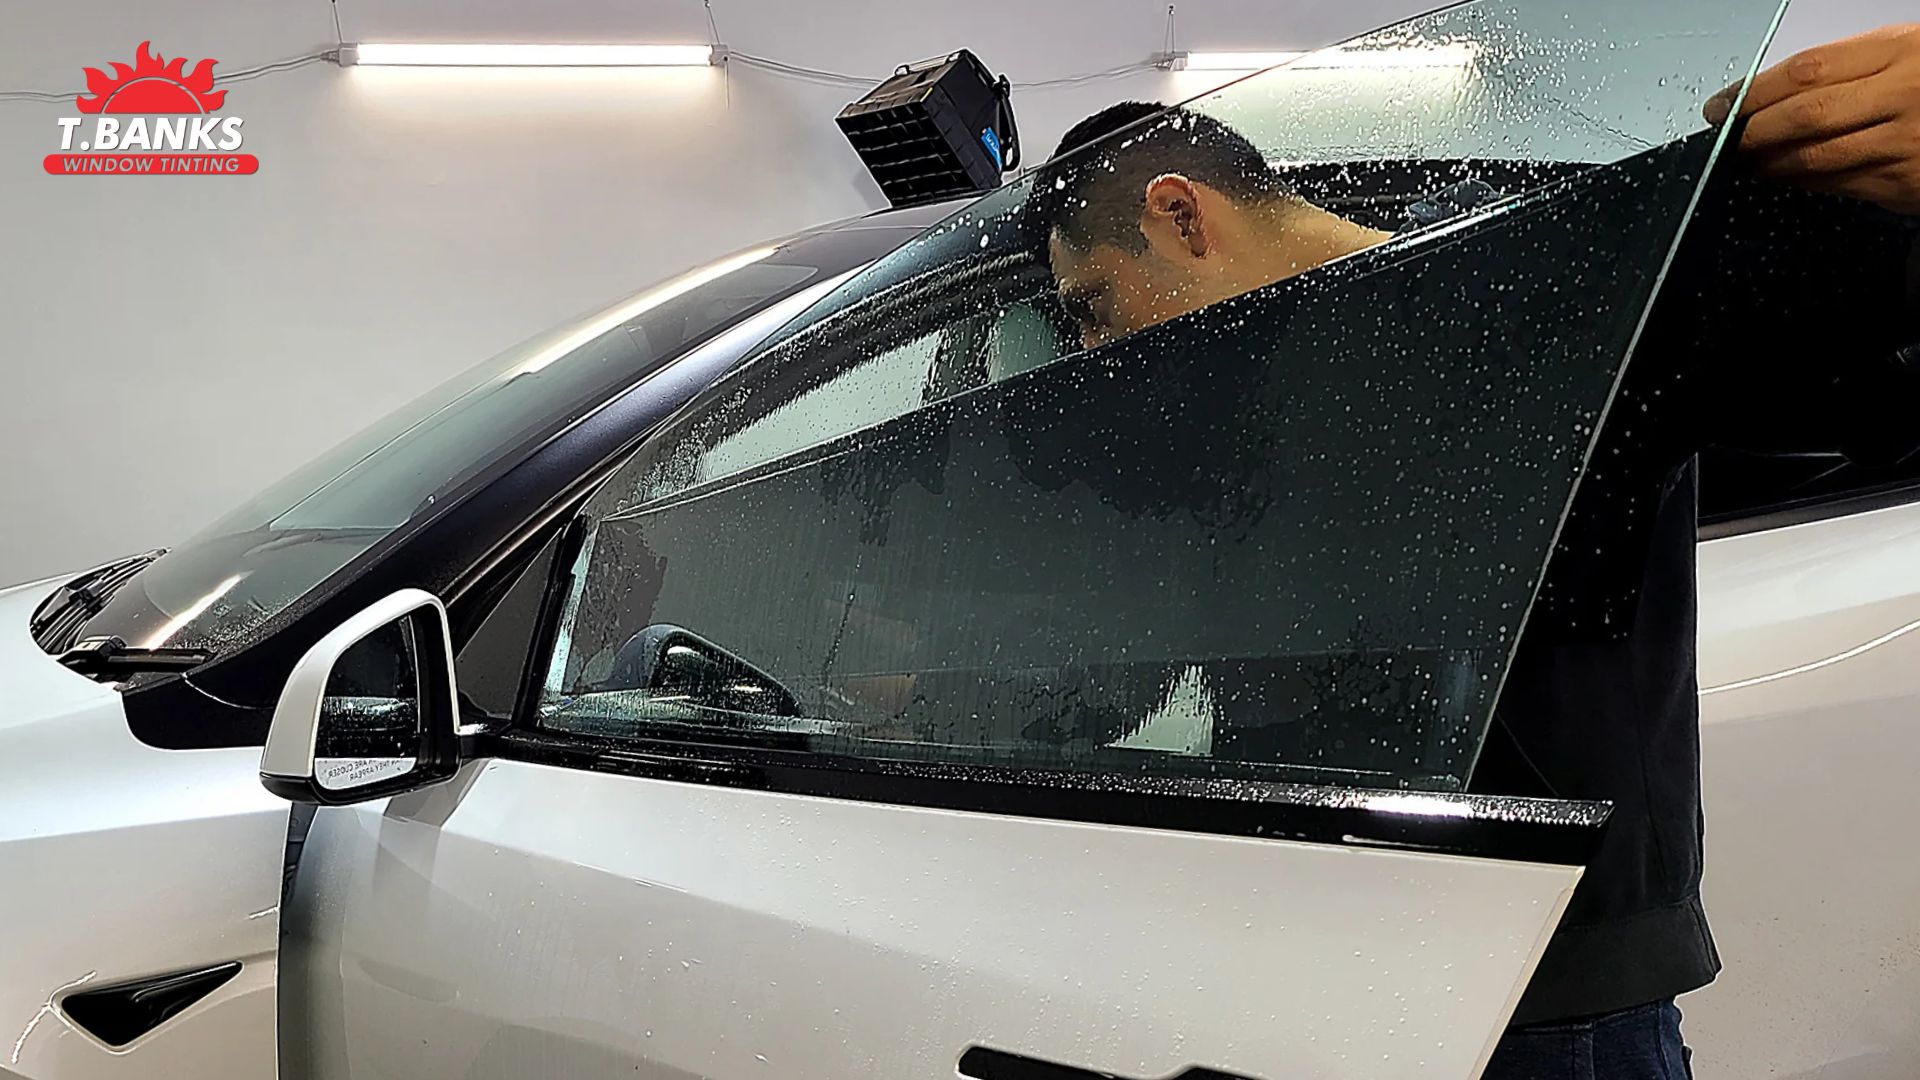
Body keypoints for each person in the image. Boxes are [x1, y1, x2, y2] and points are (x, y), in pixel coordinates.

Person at [1023, 23, 1920, 1079]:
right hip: (1340, 955)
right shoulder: (1246, 417)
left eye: (1091, 308)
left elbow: (1877, 377)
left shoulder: (1552, 294)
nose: (1090, 351)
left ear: (1181, 215)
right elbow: (1180, 651)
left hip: (1538, 991)